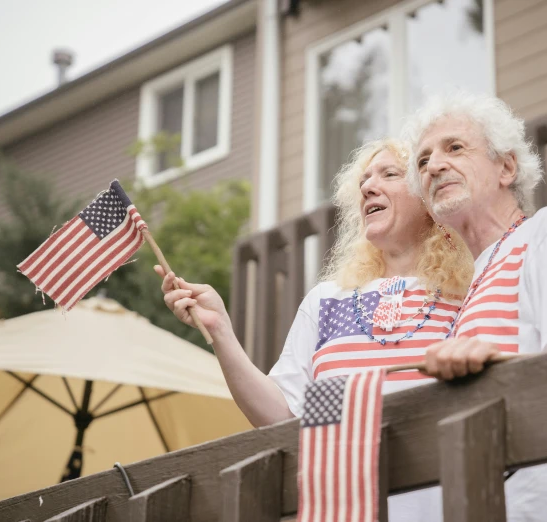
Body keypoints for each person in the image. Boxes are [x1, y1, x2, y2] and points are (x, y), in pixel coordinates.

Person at [156, 138, 474, 521]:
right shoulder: (326, 299)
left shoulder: (469, 290)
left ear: (429, 195)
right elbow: (282, 413)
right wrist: (220, 330)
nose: (369, 187)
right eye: (364, 182)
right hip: (341, 507)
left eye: (390, 175)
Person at [403, 91, 547, 521]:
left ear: (506, 167)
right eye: (423, 160)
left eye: (455, 147)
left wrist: (497, 366)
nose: (434, 165)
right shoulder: (468, 294)